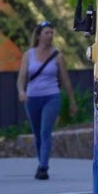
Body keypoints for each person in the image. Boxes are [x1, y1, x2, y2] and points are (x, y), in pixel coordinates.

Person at [17, 20, 78, 180]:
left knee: (45, 131)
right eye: (47, 33)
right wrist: (21, 91)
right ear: (38, 35)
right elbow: (21, 78)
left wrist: (72, 101)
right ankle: (41, 162)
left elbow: (66, 80)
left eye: (52, 33)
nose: (50, 36)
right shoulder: (28, 55)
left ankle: (43, 166)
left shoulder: (58, 56)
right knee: (37, 134)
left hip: (52, 96)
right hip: (32, 98)